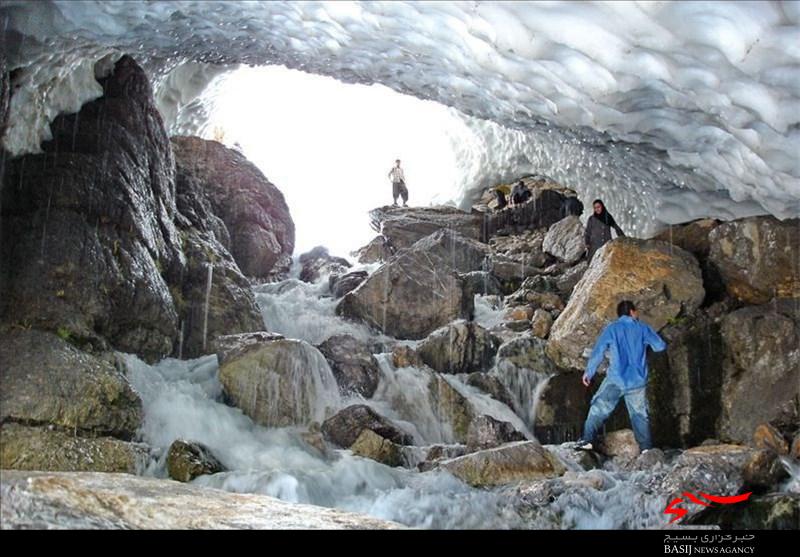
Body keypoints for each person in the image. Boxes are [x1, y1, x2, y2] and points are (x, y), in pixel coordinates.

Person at [575, 300, 666, 452]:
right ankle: (646, 450)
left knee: (598, 409)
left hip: (615, 380)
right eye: (636, 311)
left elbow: (598, 352)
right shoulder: (643, 328)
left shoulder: (612, 329)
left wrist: (588, 373)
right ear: (632, 312)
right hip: (637, 380)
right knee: (640, 416)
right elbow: (660, 346)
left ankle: (588, 440)